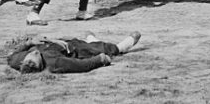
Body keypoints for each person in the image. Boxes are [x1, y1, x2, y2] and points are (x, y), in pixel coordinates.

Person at [7, 31, 141, 74]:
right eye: (35, 59)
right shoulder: (55, 63)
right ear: (40, 66)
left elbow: (12, 55)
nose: (33, 54)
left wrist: (29, 43)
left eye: (29, 56)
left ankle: (91, 40)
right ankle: (121, 47)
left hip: (55, 41)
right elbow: (80, 65)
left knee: (84, 42)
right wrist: (100, 60)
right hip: (73, 50)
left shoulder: (16, 60)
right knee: (97, 49)